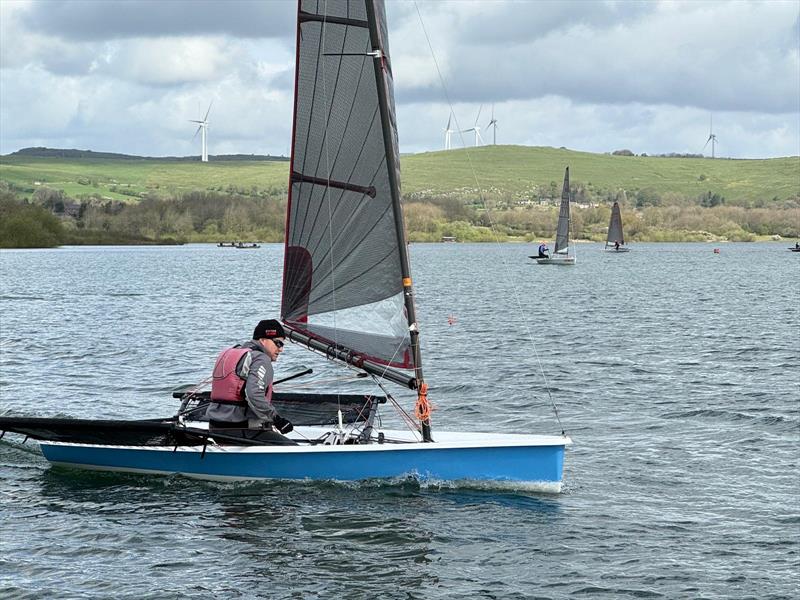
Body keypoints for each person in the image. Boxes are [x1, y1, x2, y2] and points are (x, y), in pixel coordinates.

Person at [205, 319, 294, 443]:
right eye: (278, 343)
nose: (281, 349)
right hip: (241, 429)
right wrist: (276, 419)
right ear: (263, 340)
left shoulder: (235, 352)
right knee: (291, 448)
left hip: (216, 427)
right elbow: (253, 393)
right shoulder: (261, 359)